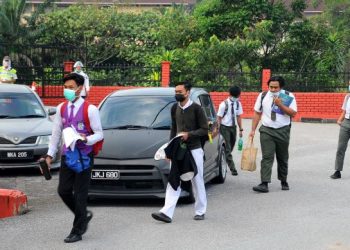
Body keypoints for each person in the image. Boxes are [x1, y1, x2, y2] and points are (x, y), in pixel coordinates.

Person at [41, 73, 103, 243]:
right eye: (65, 87)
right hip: (68, 155)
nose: (67, 90)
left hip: (84, 156)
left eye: (70, 87)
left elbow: (99, 134)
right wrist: (49, 155)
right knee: (63, 190)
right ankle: (83, 215)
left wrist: (86, 139)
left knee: (81, 193)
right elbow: (56, 134)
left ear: (80, 88)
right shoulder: (61, 108)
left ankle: (77, 230)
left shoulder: (90, 109)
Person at [152, 82, 209, 223]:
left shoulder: (197, 109)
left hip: (194, 150)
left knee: (197, 180)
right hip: (178, 150)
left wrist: (189, 135)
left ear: (188, 92)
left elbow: (204, 130)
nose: (177, 94)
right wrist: (169, 150)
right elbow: (173, 128)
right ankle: (166, 212)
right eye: (175, 91)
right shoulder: (174, 108)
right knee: (173, 180)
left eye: (180, 91)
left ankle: (200, 211)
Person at [249, 76, 297, 193]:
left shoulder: (288, 96)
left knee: (282, 157)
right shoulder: (263, 96)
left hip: (283, 130)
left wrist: (280, 105)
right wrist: (253, 130)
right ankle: (264, 183)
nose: (273, 89)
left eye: (276, 87)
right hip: (267, 130)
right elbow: (257, 113)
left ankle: (283, 180)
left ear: (281, 87)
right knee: (267, 157)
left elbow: (293, 113)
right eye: (271, 87)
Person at [214, 86, 244, 176]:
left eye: (238, 96)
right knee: (227, 148)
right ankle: (233, 168)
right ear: (230, 95)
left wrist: (240, 129)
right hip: (224, 128)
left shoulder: (238, 104)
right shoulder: (223, 104)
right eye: (235, 96)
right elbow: (219, 118)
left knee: (231, 147)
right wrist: (217, 128)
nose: (236, 98)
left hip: (233, 128)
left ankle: (224, 159)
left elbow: (238, 116)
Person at [330, 81, 350, 179]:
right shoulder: (347, 97)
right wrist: (339, 119)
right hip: (346, 123)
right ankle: (337, 171)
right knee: (341, 148)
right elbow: (344, 110)